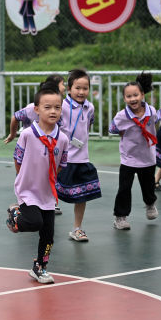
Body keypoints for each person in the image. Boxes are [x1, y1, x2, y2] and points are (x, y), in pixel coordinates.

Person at [7, 83, 69, 283]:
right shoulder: (27, 135)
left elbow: (62, 164)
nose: (53, 111)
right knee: (34, 222)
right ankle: (15, 215)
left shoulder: (63, 139)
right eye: (47, 107)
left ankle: (39, 267)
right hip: (28, 190)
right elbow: (18, 160)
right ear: (36, 110)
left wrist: (48, 178)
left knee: (48, 235)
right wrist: (25, 178)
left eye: (57, 107)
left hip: (47, 193)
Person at [54, 69, 101, 242]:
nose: (81, 92)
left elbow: (87, 128)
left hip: (82, 158)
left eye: (85, 88)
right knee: (49, 191)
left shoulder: (90, 108)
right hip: (61, 159)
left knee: (81, 195)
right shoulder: (61, 106)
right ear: (69, 88)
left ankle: (77, 228)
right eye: (77, 88)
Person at [109, 72, 158, 230]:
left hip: (147, 157)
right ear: (124, 99)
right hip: (128, 158)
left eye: (136, 95)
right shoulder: (122, 116)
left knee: (148, 187)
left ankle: (150, 204)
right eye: (129, 96)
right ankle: (120, 217)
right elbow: (112, 128)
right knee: (124, 188)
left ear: (142, 94)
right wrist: (120, 131)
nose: (133, 99)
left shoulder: (151, 112)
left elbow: (155, 124)